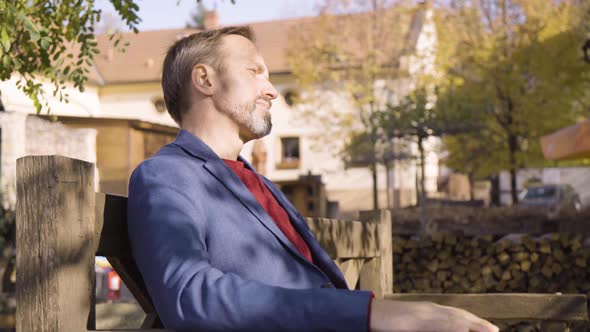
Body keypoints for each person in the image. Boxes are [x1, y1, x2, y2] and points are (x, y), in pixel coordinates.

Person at [127, 26, 499, 332]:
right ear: (205, 79)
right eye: (255, 72)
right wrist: (368, 313)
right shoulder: (166, 174)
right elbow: (189, 294)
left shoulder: (256, 181)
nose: (272, 90)